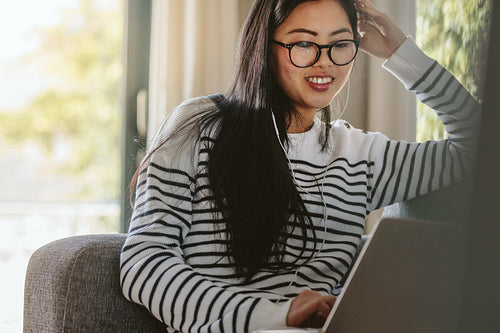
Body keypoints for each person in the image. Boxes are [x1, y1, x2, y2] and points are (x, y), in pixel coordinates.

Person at [120, 0, 480, 332]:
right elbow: (143, 265)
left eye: (340, 44)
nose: (324, 62)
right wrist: (278, 315)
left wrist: (402, 53)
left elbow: (479, 148)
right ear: (265, 47)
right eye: (303, 44)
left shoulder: (362, 156)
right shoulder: (199, 125)